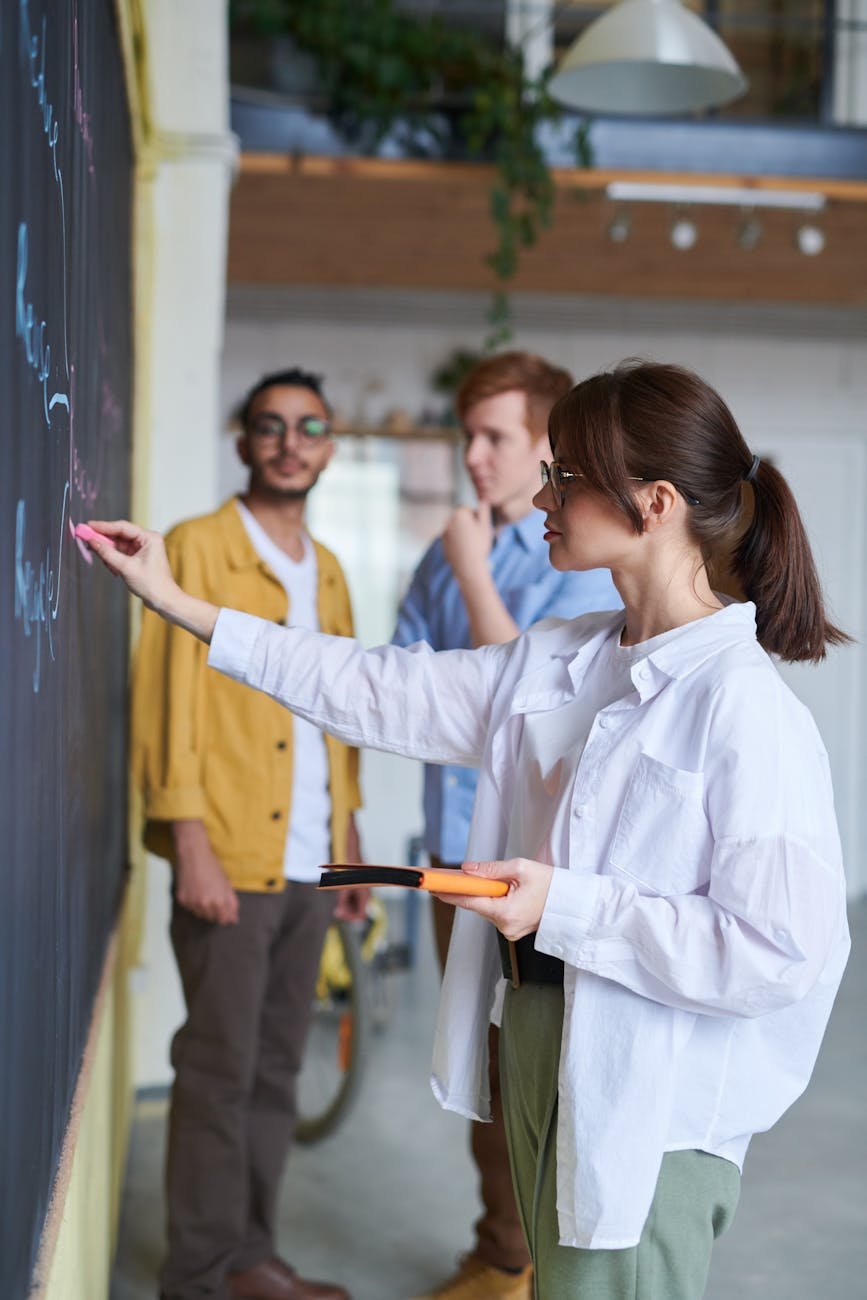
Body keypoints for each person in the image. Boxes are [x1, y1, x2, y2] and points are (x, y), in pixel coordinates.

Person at [91, 360, 850, 1300]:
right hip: (539, 1032)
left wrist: (563, 904)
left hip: (647, 1090)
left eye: (564, 475)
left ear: (653, 503)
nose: (541, 493)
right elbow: (375, 686)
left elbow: (773, 953)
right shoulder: (564, 655)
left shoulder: (744, 710)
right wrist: (183, 605)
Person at [131, 368, 364, 1300]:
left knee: (276, 1070)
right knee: (218, 1072)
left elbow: (340, 714)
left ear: (329, 446)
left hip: (310, 861)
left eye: (309, 426)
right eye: (271, 426)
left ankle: (247, 1261)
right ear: (243, 441)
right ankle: (193, 1276)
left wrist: (346, 845)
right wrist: (189, 842)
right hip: (229, 853)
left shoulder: (332, 567)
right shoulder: (193, 547)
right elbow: (165, 706)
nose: (289, 442)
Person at [392, 352, 620, 1300]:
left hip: (541, 867)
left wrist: (469, 568)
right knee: (477, 1060)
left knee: (545, 1062)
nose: (476, 456)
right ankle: (502, 1255)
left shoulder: (574, 558)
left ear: (544, 448)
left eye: (497, 437)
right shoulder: (447, 546)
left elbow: (522, 704)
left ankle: (533, 1261)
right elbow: (408, 688)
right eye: (468, 435)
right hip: (453, 844)